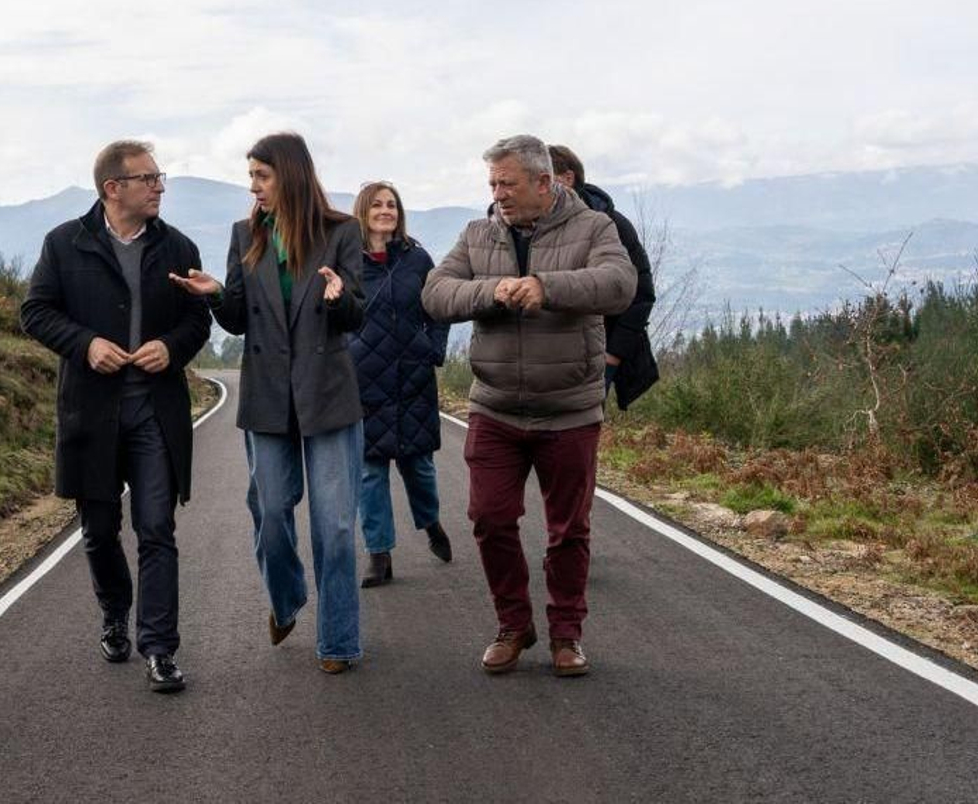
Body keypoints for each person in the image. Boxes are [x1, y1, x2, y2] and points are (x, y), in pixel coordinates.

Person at [422, 134, 636, 677]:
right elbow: (435, 292)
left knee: (569, 530)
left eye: (507, 184)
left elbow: (620, 283)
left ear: (544, 183)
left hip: (569, 409)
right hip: (494, 407)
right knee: (489, 518)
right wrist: (491, 292)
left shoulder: (594, 227)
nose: (497, 194)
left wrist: (546, 287)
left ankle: (567, 634)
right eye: (492, 183)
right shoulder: (477, 233)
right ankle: (514, 625)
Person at [169, 132, 366, 674]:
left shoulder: (342, 232)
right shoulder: (245, 234)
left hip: (327, 393)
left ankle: (339, 640)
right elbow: (238, 318)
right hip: (267, 396)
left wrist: (339, 298)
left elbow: (357, 313)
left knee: (336, 528)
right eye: (251, 176)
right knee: (272, 513)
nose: (253, 186)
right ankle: (287, 598)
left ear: (290, 175)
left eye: (262, 175)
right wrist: (216, 294)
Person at [20, 140, 211, 694]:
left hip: (156, 412)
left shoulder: (178, 246)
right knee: (99, 531)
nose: (159, 186)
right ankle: (113, 613)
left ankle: (160, 649)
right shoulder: (64, 244)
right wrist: (85, 345)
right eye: (148, 178)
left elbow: (198, 321)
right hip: (91, 413)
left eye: (159, 176)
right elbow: (35, 311)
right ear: (113, 188)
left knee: (156, 528)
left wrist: (171, 348)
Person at [347, 181, 452, 588]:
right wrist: (346, 355)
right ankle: (379, 554)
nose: (385, 210)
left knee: (419, 466)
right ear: (363, 211)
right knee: (369, 473)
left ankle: (431, 523)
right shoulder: (347, 262)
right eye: (377, 204)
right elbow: (332, 313)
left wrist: (433, 349)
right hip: (363, 381)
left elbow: (439, 309)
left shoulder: (417, 259)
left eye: (391, 204)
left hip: (413, 376)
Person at [548, 144, 659, 409]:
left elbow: (641, 294)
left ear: (567, 178)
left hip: (598, 356)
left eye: (544, 178)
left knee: (581, 429)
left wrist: (613, 354)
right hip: (550, 358)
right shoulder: (539, 227)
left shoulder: (613, 225)